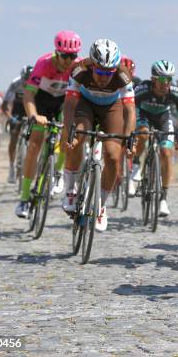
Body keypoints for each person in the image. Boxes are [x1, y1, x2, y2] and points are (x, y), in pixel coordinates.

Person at [62, 39, 136, 231]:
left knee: (112, 155)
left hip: (111, 108)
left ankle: (101, 205)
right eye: (100, 72)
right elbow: (69, 105)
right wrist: (69, 130)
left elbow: (130, 110)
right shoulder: (79, 70)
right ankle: (70, 189)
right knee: (78, 137)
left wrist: (129, 137)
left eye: (108, 73)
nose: (104, 77)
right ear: (92, 65)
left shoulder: (123, 75)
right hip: (85, 105)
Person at [15, 31, 81, 218]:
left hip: (63, 102)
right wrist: (34, 115)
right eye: (65, 56)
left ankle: (59, 172)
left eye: (73, 56)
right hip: (42, 101)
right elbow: (28, 95)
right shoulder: (43, 63)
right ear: (57, 53)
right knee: (35, 145)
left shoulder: (77, 66)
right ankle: (25, 198)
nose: (69, 60)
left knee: (69, 135)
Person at [129, 60, 178, 216]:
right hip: (144, 116)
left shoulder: (175, 92)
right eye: (162, 79)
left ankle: (163, 198)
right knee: (143, 133)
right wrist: (131, 134)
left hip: (163, 118)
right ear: (153, 79)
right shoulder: (142, 89)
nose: (165, 83)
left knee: (166, 153)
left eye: (169, 79)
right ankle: (135, 165)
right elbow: (130, 112)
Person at [3, 65, 33, 183]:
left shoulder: (39, 82)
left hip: (31, 108)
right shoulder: (15, 83)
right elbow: (5, 105)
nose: (26, 83)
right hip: (18, 110)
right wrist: (11, 118)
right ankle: (11, 167)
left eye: (29, 81)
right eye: (25, 81)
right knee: (14, 137)